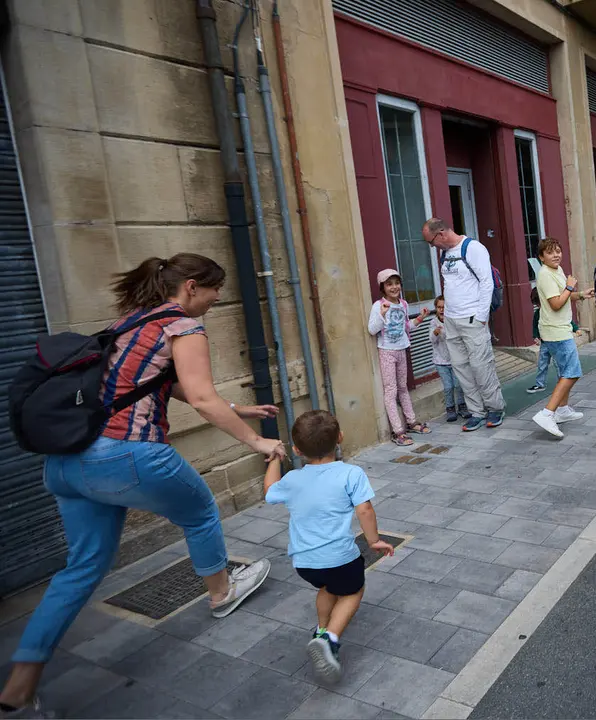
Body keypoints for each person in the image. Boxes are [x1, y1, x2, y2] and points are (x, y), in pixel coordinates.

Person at [0, 254, 283, 716]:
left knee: (81, 568)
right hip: (125, 453)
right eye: (214, 289)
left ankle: (18, 684)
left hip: (65, 465)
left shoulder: (132, 321)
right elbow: (200, 396)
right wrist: (256, 442)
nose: (217, 298)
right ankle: (221, 593)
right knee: (201, 511)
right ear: (192, 286)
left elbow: (154, 385)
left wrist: (241, 409)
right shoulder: (184, 327)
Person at [264, 410, 394, 683]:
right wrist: (373, 540)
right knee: (352, 591)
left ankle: (321, 630)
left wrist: (275, 458)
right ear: (340, 438)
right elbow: (365, 509)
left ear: (297, 450)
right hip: (340, 557)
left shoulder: (293, 480)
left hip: (305, 563)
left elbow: (269, 490)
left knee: (328, 587)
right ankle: (331, 640)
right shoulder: (350, 473)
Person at [423, 218, 505, 432]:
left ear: (440, 233)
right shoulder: (445, 254)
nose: (432, 247)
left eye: (431, 242)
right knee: (461, 368)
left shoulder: (473, 248)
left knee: (481, 365)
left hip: (472, 319)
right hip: (451, 320)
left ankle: (495, 407)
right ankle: (476, 411)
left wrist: (481, 317)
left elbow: (486, 282)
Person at [531, 238, 588, 438]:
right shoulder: (545, 274)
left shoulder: (557, 270)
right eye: (550, 252)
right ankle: (547, 413)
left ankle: (562, 410)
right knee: (572, 373)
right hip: (556, 331)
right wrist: (571, 287)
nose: (556, 255)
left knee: (566, 371)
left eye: (558, 251)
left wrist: (580, 294)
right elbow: (556, 303)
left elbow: (564, 296)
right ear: (541, 257)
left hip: (559, 329)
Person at [367, 269, 429, 446]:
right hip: (387, 351)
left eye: (396, 283)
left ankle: (411, 422)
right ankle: (397, 430)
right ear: (383, 287)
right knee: (391, 390)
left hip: (402, 349)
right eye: (389, 284)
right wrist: (382, 314)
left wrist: (421, 318)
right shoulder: (378, 305)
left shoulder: (403, 304)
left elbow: (406, 327)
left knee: (403, 387)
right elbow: (372, 330)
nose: (394, 287)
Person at [430, 296, 467, 422]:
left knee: (458, 384)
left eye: (444, 307)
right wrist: (434, 333)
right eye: (439, 307)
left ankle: (462, 406)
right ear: (436, 309)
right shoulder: (434, 323)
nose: (442, 310)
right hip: (441, 361)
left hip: (454, 360)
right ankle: (450, 408)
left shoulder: (452, 321)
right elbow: (432, 340)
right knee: (448, 386)